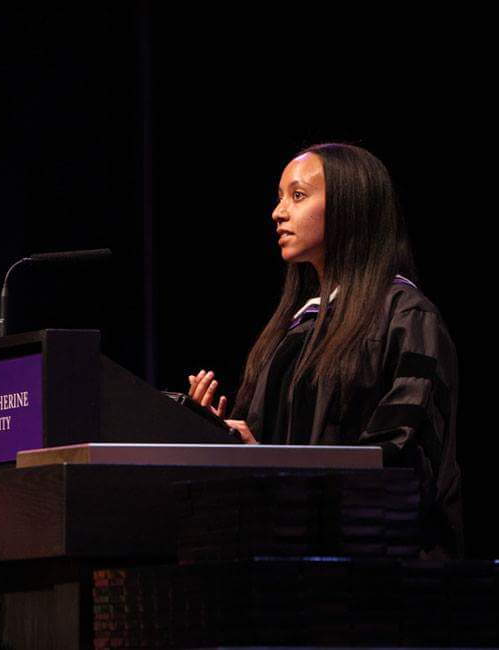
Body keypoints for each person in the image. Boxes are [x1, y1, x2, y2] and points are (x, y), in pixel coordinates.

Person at [187, 143, 463, 558]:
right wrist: (220, 433)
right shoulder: (296, 328)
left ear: (350, 208)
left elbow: (396, 461)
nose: (278, 213)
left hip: (382, 574)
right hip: (297, 567)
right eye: (280, 197)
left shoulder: (405, 318)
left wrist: (277, 467)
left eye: (297, 196)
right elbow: (267, 446)